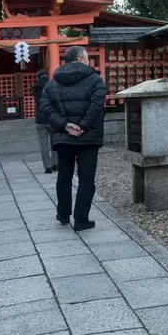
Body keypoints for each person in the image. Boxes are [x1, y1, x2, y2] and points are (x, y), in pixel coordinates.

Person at [39, 46, 106, 231]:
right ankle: (81, 219)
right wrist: (82, 126)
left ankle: (63, 214)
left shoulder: (53, 82)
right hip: (88, 137)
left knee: (64, 176)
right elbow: (97, 105)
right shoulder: (95, 79)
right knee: (86, 179)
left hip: (64, 136)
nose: (89, 61)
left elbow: (44, 105)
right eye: (87, 58)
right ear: (79, 58)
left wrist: (64, 125)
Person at [31, 70, 58, 174]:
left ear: (38, 77)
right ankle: (56, 164)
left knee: (43, 144)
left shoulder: (35, 87)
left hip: (40, 119)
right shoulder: (53, 85)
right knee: (54, 142)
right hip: (52, 118)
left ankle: (48, 167)